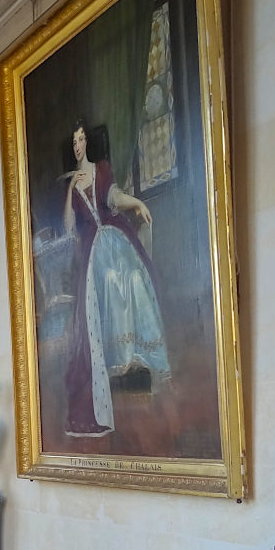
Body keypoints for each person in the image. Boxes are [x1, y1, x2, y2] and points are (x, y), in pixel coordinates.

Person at [60, 118, 171, 437]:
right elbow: (69, 226)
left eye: (81, 139)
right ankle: (117, 358)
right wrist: (70, 189)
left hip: (115, 238)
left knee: (134, 278)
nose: (78, 145)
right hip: (93, 250)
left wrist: (136, 202)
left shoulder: (101, 171)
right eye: (74, 142)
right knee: (108, 279)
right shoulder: (73, 182)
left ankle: (141, 354)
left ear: (88, 143)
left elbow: (114, 198)